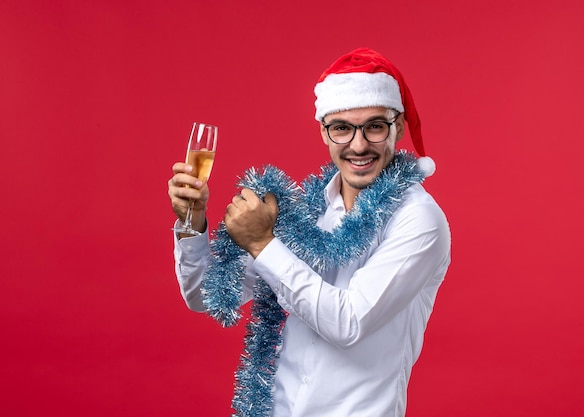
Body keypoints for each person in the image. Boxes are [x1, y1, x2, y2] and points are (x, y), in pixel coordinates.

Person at [167, 47, 451, 417]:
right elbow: (205, 298)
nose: (359, 145)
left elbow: (348, 322)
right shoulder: (307, 210)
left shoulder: (420, 219)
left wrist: (262, 244)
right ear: (324, 132)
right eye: (342, 128)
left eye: (375, 127)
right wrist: (193, 221)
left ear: (396, 127)